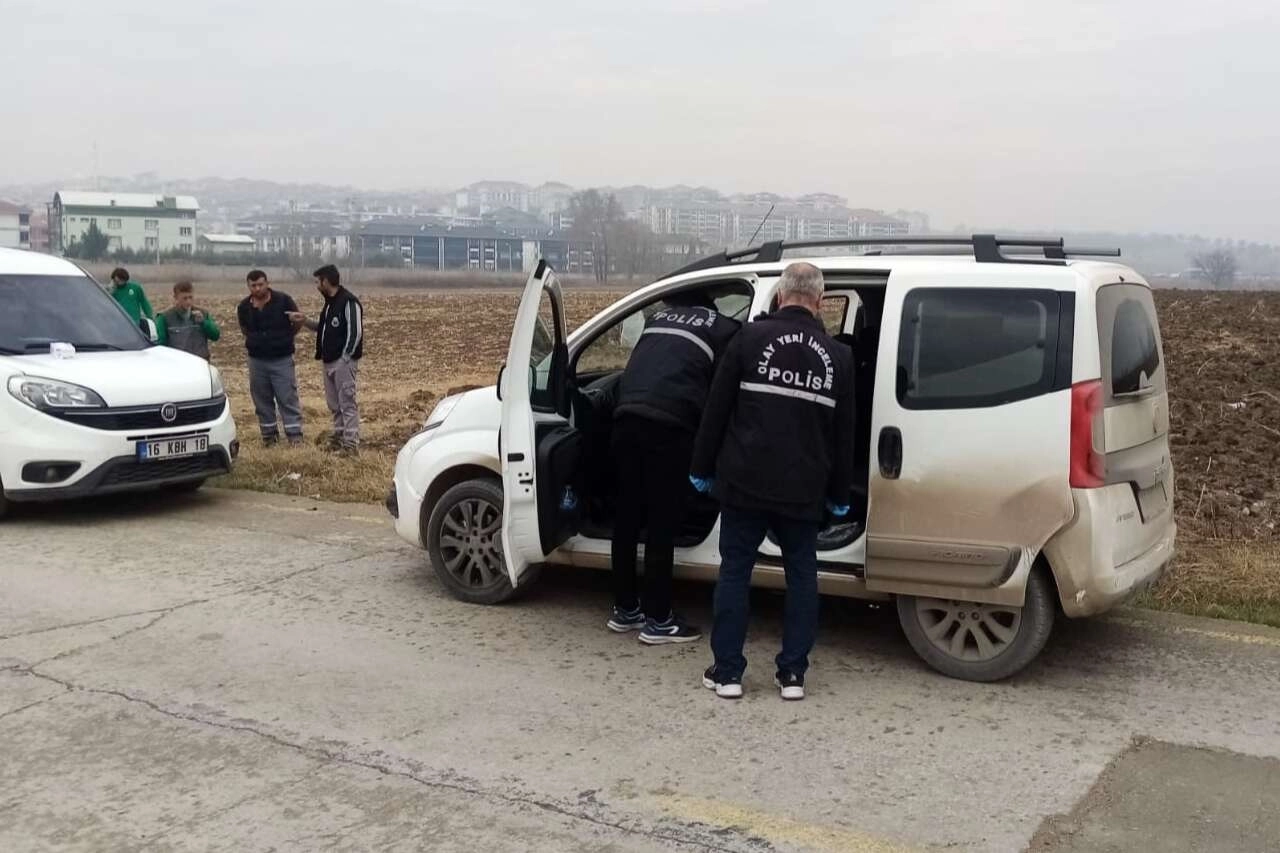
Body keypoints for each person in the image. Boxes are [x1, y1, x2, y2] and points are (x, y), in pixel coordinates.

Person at [690, 262, 855, 701]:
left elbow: (715, 412)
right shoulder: (838, 357)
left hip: (745, 481)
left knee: (735, 572)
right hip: (804, 488)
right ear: (820, 301)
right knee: (802, 575)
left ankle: (728, 672)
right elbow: (844, 434)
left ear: (780, 296)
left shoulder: (748, 339)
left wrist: (701, 468)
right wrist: (839, 495)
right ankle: (793, 674)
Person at [607, 290, 740, 644]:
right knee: (661, 522)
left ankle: (625, 609)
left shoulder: (656, 320)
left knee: (627, 516)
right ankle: (659, 620)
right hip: (669, 426)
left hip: (626, 418)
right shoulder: (723, 328)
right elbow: (723, 390)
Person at [287, 264, 364, 456]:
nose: (316, 286)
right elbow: (322, 328)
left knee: (347, 402)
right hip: (328, 361)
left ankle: (351, 444)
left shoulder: (349, 302)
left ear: (326, 281)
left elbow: (355, 333)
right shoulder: (330, 303)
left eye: (318, 282)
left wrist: (345, 358)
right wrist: (304, 321)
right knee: (334, 404)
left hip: (342, 362)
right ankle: (339, 436)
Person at [236, 270, 304, 446]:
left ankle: (295, 436)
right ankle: (269, 437)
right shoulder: (244, 307)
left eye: (260, 284)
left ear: (267, 283)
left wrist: (285, 337)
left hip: (281, 359)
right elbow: (245, 330)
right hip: (257, 361)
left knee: (287, 397)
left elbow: (297, 322)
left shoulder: (283, 300)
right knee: (261, 400)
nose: (258, 288)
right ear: (248, 286)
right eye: (253, 285)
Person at [156, 280, 221, 360]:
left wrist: (204, 323)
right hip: (178, 362)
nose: (188, 302)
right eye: (184, 298)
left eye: (190, 297)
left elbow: (215, 336)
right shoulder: (165, 318)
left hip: (200, 361)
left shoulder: (203, 314)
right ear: (176, 298)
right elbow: (161, 345)